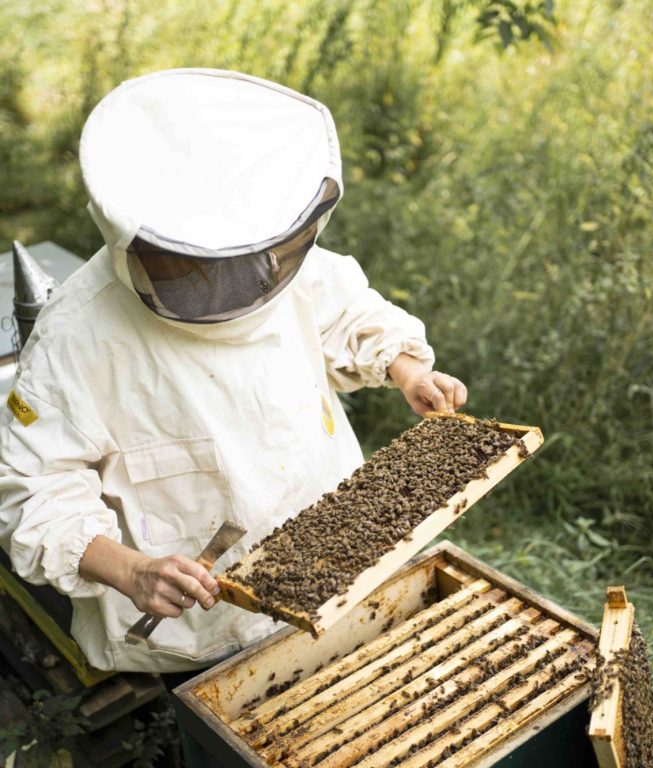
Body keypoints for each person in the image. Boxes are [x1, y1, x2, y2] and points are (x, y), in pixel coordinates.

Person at [0, 69, 467, 679]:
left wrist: (405, 368)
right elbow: (34, 494)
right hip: (199, 628)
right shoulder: (75, 336)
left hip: (342, 557)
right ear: (137, 242)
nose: (239, 281)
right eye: (199, 267)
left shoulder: (254, 248)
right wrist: (130, 570)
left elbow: (345, 307)